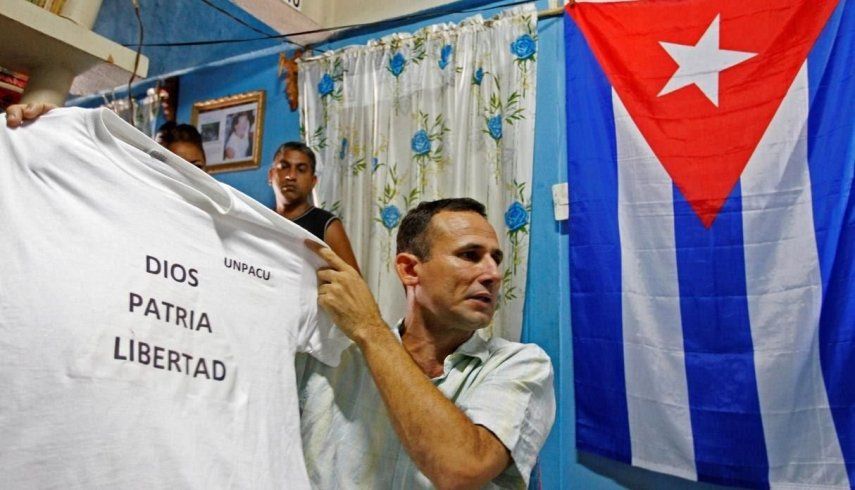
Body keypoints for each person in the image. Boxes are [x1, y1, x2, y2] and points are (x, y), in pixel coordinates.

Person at [302, 198, 555, 489]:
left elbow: (462, 469)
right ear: (410, 270)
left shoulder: (522, 365)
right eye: (470, 255)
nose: (493, 275)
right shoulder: (333, 357)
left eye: (495, 259)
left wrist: (371, 329)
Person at [269, 141, 360, 273]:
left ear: (313, 181)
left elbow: (355, 285)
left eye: (301, 170)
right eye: (284, 167)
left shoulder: (326, 225)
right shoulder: (261, 220)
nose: (291, 176)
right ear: (271, 175)